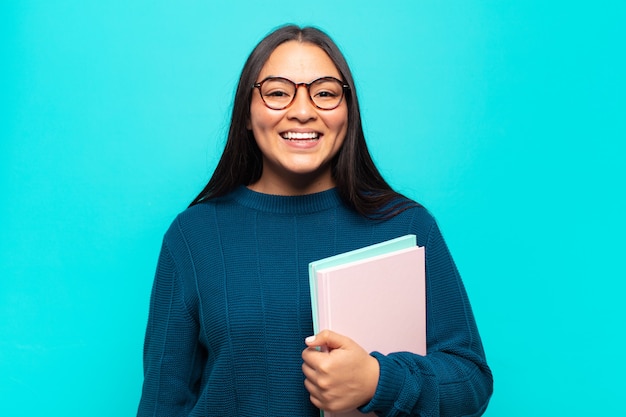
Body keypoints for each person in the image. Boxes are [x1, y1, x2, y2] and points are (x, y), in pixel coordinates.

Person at [137, 24, 493, 417]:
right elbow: (162, 403)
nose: (303, 112)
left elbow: (471, 381)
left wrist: (377, 380)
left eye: (324, 93)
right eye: (277, 93)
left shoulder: (407, 227)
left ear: (347, 110)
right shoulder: (194, 237)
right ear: (246, 114)